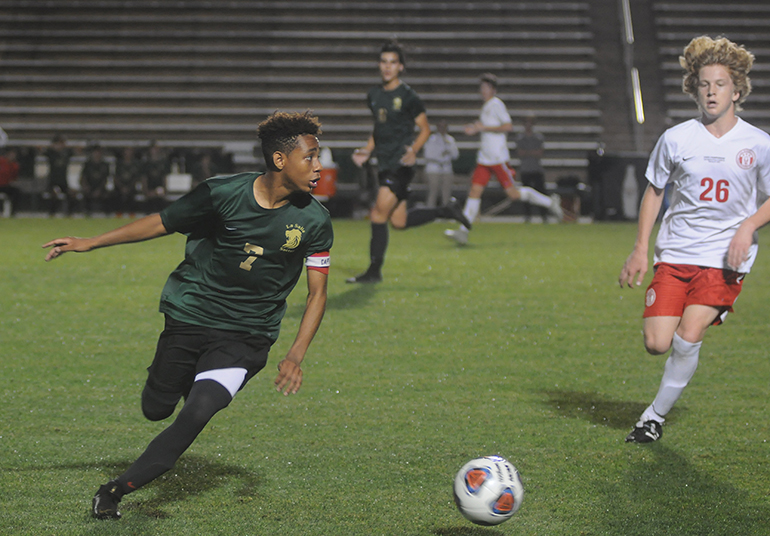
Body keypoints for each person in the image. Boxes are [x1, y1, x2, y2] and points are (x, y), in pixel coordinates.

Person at [43, 111, 333, 519]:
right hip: (192, 314)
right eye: (311, 157)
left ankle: (114, 491)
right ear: (280, 160)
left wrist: (296, 354)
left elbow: (318, 293)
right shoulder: (220, 193)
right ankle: (178, 377)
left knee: (196, 413)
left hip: (248, 337)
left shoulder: (315, 221)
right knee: (156, 408)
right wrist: (90, 242)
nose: (319, 166)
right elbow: (162, 222)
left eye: (319, 157)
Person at [619, 36, 770, 443]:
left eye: (720, 84)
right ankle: (692, 329)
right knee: (656, 343)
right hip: (676, 255)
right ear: (694, 90)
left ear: (736, 90)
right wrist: (640, 248)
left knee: (690, 332)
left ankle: (653, 417)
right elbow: (654, 192)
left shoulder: (758, 144)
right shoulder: (677, 138)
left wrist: (747, 225)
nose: (711, 91)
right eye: (704, 84)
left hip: (724, 259)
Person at [347, 39, 471, 284]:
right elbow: (379, 128)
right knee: (399, 222)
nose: (387, 67)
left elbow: (424, 129)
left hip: (400, 165)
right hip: (384, 164)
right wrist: (367, 150)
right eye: (384, 62)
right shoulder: (373, 95)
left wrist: (414, 150)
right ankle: (445, 210)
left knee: (377, 215)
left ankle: (373, 272)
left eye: (393, 62)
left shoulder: (408, 96)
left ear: (401, 67)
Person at [445, 74, 562, 245]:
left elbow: (508, 126)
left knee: (513, 194)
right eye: (481, 87)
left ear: (493, 90)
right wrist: (475, 128)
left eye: (485, 87)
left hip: (498, 158)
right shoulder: (486, 106)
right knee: (474, 192)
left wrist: (482, 127)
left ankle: (550, 202)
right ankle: (463, 231)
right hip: (485, 159)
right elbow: (488, 128)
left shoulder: (497, 104)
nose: (482, 91)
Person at [515, 115, 548, 222]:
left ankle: (544, 215)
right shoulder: (520, 137)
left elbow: (539, 153)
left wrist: (527, 152)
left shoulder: (538, 137)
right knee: (526, 195)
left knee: (541, 192)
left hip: (536, 169)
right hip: (525, 169)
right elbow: (520, 153)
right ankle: (527, 215)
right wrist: (532, 152)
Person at [423, 120, 459, 208]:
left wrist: (449, 151)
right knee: (433, 191)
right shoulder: (432, 139)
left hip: (446, 168)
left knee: (446, 192)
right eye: (440, 127)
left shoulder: (450, 139)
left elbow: (455, 155)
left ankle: (446, 211)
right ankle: (430, 209)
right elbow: (428, 154)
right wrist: (440, 154)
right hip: (434, 168)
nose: (442, 129)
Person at [42, 134, 74, 215]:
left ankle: (68, 213)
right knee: (53, 194)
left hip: (63, 181)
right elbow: (42, 150)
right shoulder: (51, 153)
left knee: (70, 194)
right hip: (53, 180)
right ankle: (51, 213)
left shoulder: (67, 153)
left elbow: (77, 151)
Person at [79, 144, 111, 215]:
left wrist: (99, 190)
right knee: (85, 194)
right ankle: (86, 212)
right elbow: (83, 178)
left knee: (108, 195)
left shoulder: (105, 165)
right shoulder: (87, 164)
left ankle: (107, 214)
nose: (97, 154)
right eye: (95, 152)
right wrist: (86, 187)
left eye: (98, 152)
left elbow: (105, 180)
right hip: (89, 187)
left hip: (100, 188)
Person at [113, 146, 142, 215]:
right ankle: (118, 214)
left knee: (132, 195)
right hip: (120, 187)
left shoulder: (135, 164)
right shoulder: (119, 164)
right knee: (116, 195)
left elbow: (136, 178)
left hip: (131, 187)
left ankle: (132, 214)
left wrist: (129, 187)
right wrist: (121, 187)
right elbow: (116, 178)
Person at [0, 147, 20, 216]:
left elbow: (14, 177)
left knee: (16, 192)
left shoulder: (14, 165)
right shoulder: (1, 161)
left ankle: (13, 212)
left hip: (5, 185)